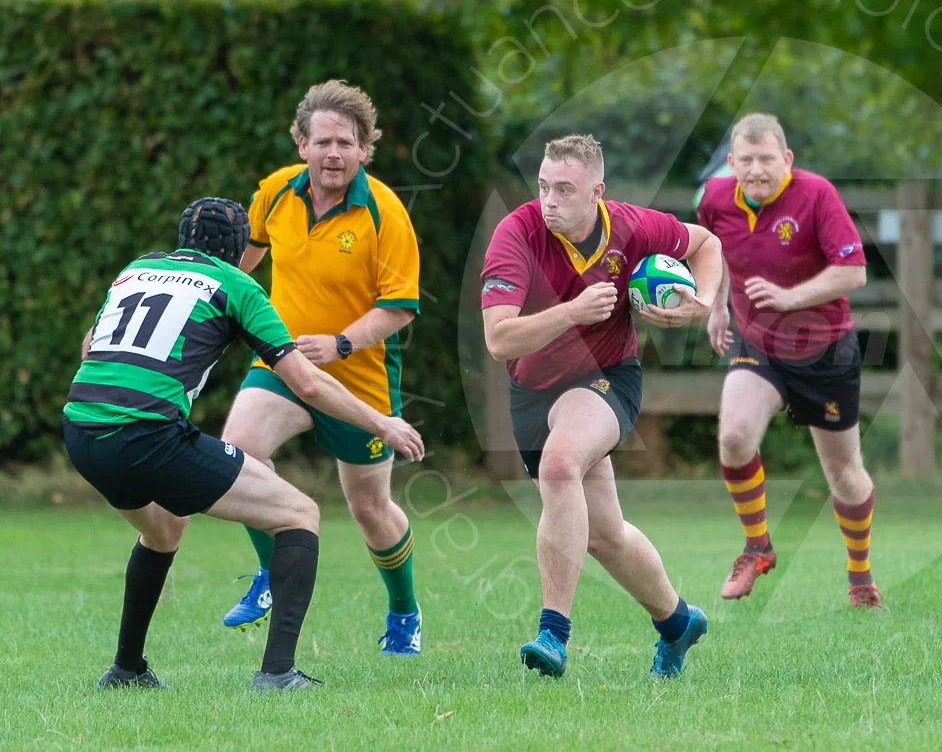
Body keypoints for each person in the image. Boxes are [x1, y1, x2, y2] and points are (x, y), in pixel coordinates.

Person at [65, 198, 424, 691]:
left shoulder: (137, 270)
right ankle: (277, 674)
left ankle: (127, 670)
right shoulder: (236, 284)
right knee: (299, 514)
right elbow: (310, 385)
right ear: (239, 252)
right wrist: (381, 424)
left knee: (165, 529)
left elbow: (91, 347)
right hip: (146, 434)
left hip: (81, 429)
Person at [481, 134, 723, 679]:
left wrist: (701, 305)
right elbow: (499, 341)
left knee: (561, 463)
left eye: (564, 189)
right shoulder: (517, 233)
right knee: (605, 535)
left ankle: (553, 634)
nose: (549, 200)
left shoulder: (631, 226)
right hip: (532, 390)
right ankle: (678, 622)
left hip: (608, 377)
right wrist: (572, 312)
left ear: (597, 191)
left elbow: (706, 244)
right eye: (543, 186)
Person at [219, 81, 426, 657]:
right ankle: (267, 577)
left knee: (369, 509)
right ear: (301, 143)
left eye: (346, 142)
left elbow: (398, 308)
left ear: (365, 149)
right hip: (283, 366)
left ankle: (404, 612)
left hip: (359, 378)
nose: (333, 153)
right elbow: (240, 265)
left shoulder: (385, 212)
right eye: (322, 142)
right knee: (239, 450)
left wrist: (339, 344)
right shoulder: (273, 195)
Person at [695, 114, 879, 608]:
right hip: (758, 346)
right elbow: (713, 254)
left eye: (767, 159)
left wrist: (788, 297)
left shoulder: (817, 195)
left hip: (826, 352)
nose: (757, 169)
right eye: (746, 160)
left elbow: (854, 272)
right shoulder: (714, 199)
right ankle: (757, 547)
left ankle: (860, 577)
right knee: (734, 436)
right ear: (732, 163)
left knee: (845, 474)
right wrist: (716, 307)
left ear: (787, 160)